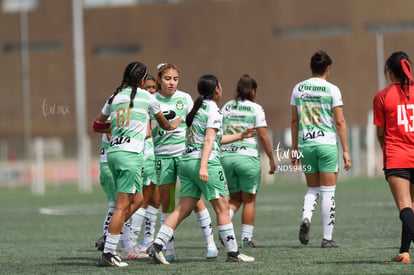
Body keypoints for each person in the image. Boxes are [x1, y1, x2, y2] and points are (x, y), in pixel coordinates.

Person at [147, 74, 256, 264]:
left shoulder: (195, 109)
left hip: (186, 161)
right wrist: (204, 166)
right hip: (204, 163)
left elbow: (215, 139)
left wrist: (240, 135)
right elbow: (208, 141)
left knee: (182, 209)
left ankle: (156, 245)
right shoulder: (214, 110)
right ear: (217, 90)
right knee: (222, 207)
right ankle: (233, 253)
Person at [93, 61, 181, 267]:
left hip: (113, 154)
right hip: (130, 155)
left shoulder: (114, 97)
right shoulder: (147, 97)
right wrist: (173, 125)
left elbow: (97, 125)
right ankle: (108, 252)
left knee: (139, 198)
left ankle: (110, 238)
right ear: (142, 80)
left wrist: (116, 127)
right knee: (122, 206)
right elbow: (163, 122)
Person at [150, 63, 217, 261]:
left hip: (185, 155)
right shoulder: (152, 100)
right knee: (167, 203)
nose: (172, 83)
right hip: (162, 157)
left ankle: (211, 245)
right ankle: (168, 251)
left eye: (175, 79)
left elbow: (196, 123)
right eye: (167, 79)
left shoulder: (186, 98)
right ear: (159, 79)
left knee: (195, 200)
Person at [290, 50, 351, 248]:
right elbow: (340, 121)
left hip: (306, 146)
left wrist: (294, 149)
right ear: (328, 68)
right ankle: (327, 238)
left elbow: (294, 121)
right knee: (328, 192)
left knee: (312, 188)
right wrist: (346, 151)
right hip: (326, 145)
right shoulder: (332, 89)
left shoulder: (298, 88)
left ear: (311, 67)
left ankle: (306, 217)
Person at [220, 74, 276, 248]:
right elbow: (263, 135)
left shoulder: (227, 107)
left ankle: (224, 227)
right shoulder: (255, 108)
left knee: (235, 198)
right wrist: (271, 159)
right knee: (249, 200)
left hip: (226, 157)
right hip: (247, 158)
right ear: (253, 91)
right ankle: (246, 239)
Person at [373, 51, 414, 264]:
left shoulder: (382, 96)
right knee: (412, 208)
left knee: (405, 206)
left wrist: (387, 153)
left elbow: (380, 134)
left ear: (389, 72)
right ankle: (404, 252)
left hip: (397, 158)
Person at [94, 132, 116, 252]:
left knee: (117, 205)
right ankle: (107, 238)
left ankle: (107, 238)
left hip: (108, 164)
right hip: (109, 164)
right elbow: (110, 135)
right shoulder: (111, 114)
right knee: (119, 205)